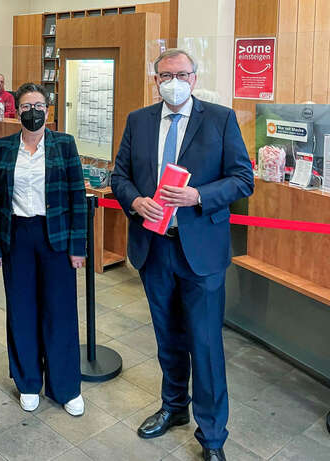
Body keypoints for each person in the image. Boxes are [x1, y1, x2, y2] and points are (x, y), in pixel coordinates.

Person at [111, 49, 254, 461]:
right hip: (154, 248)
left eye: (181, 74)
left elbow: (243, 179)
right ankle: (174, 407)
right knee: (168, 339)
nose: (173, 81)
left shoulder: (220, 119)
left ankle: (212, 437)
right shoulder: (139, 121)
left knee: (205, 345)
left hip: (201, 254)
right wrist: (135, 201)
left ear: (194, 78)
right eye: (164, 75)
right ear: (155, 80)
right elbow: (119, 176)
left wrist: (198, 196)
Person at [0, 82, 87, 416]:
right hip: (16, 236)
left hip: (55, 235)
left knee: (60, 311)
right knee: (21, 309)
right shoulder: (3, 147)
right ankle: (28, 381)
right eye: (27, 106)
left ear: (48, 109)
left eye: (39, 105)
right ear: (16, 110)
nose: (34, 111)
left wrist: (77, 246)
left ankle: (65, 386)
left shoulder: (64, 145)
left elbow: (77, 199)